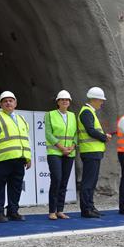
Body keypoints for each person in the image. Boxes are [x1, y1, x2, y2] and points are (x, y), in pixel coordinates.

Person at [0, 91, 31, 223]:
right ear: (0, 104)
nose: (8, 103)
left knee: (16, 187)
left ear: (15, 103)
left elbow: (26, 140)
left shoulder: (22, 119)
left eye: (11, 100)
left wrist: (28, 157)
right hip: (3, 159)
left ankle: (13, 212)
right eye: (5, 101)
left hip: (19, 158)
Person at [78, 87, 112, 218]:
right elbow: (90, 130)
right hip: (90, 151)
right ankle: (86, 209)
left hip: (94, 152)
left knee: (92, 182)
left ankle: (90, 206)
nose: (102, 103)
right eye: (101, 100)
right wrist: (104, 137)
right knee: (88, 182)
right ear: (95, 99)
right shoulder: (86, 112)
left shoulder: (89, 112)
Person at [45, 90, 77, 220]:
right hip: (55, 152)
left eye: (67, 100)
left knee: (64, 181)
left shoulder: (73, 116)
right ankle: (52, 210)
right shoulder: (50, 115)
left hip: (69, 152)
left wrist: (73, 146)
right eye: (62, 99)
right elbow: (48, 133)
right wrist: (61, 147)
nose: (65, 101)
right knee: (56, 179)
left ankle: (60, 210)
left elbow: (76, 134)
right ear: (58, 102)